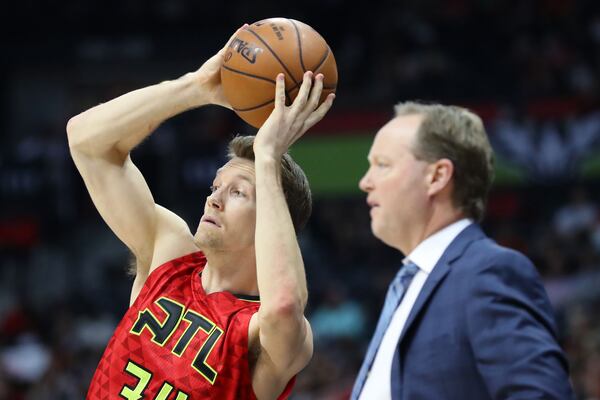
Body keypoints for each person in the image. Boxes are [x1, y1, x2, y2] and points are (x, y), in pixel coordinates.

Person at [66, 24, 335, 400]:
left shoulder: (262, 332)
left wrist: (269, 158)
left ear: (273, 223)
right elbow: (86, 141)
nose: (213, 199)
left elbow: (285, 305)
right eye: (215, 187)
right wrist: (195, 87)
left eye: (238, 192)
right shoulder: (169, 254)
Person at [351, 102, 574, 399]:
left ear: (437, 176)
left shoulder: (487, 271)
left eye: (382, 164)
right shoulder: (409, 281)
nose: (365, 182)